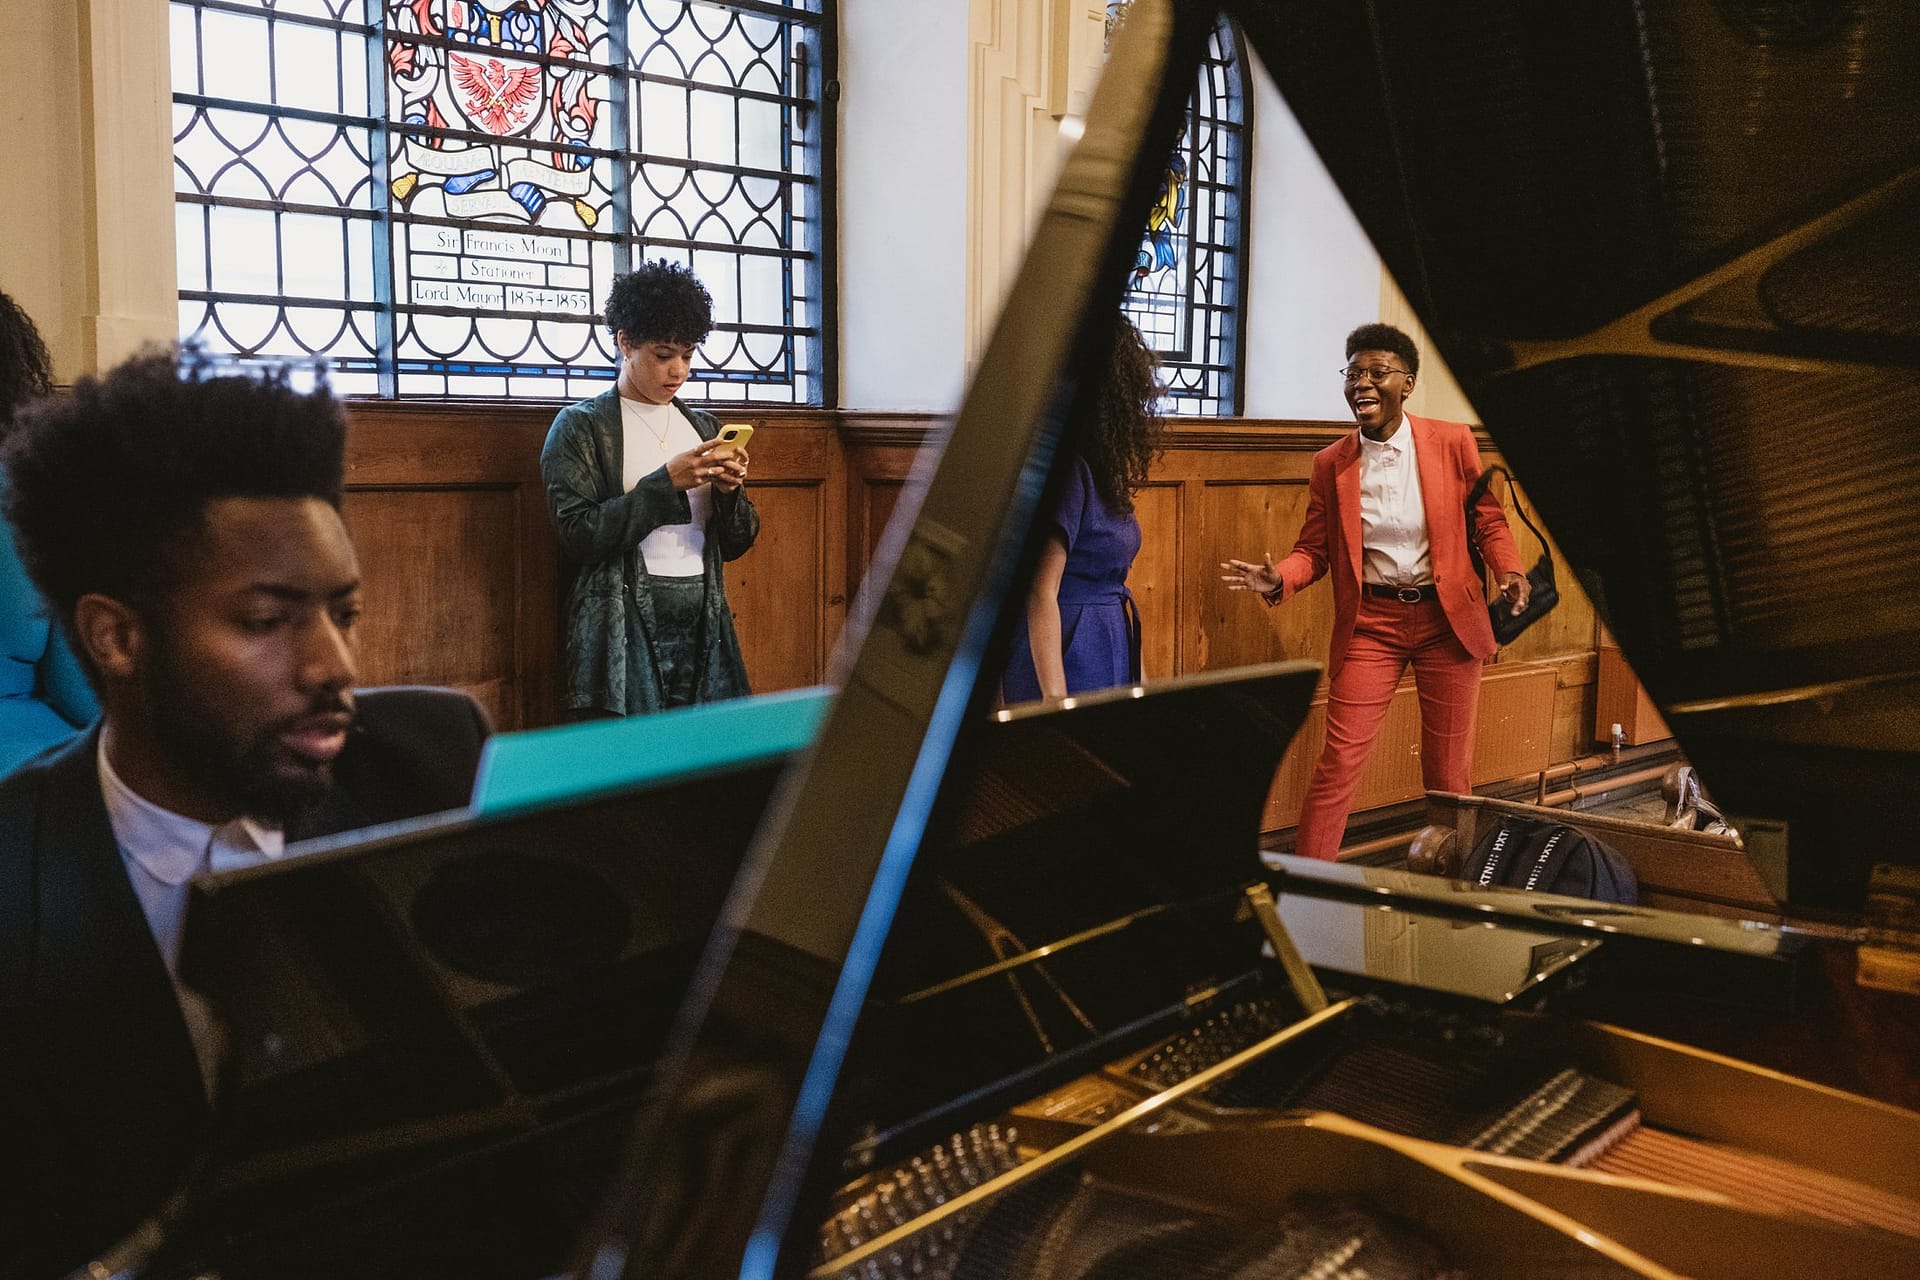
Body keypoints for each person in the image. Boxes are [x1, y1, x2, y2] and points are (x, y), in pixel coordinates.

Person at [0, 348, 491, 1278]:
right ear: (118, 637)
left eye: (343, 612)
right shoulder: (16, 877)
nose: (334, 665)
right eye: (269, 622)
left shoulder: (426, 764)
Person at [1222, 323, 1529, 860]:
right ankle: (1309, 890)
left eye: (1377, 372)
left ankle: (1451, 896)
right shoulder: (1331, 463)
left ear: (1406, 383)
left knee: (1448, 773)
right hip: (1372, 625)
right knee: (1338, 763)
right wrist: (1282, 578)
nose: (1362, 383)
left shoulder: (1453, 441)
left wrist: (1510, 572)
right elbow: (1313, 550)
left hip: (1447, 624)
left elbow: (1488, 521)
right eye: (1354, 373)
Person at [541, 260, 759, 718]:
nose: (678, 370)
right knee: (633, 760)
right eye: (663, 355)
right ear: (625, 342)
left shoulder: (701, 426)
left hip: (705, 613)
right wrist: (665, 484)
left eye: (688, 354)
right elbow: (578, 535)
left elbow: (737, 542)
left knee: (704, 760)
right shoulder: (581, 426)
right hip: (622, 622)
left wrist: (728, 492)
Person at [1003, 316, 1164, 701]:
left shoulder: (1099, 470)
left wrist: (1140, 680)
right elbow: (1040, 591)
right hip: (1065, 648)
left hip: (1108, 637)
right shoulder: (1067, 471)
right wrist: (1056, 703)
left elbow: (1115, 587)